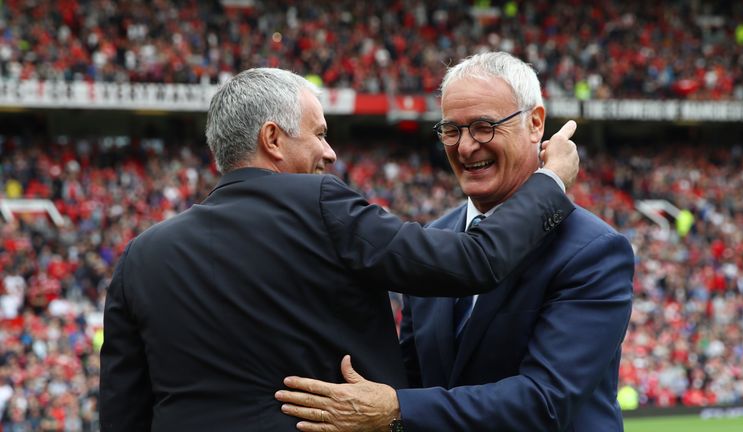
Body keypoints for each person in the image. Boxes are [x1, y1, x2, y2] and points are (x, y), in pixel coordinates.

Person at [99, 67, 580, 431]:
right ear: (272, 138)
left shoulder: (140, 256)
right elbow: (476, 259)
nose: (330, 154)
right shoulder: (320, 203)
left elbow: (123, 415)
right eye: (320, 134)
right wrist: (550, 182)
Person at [276, 53, 635, 431]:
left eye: (484, 127)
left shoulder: (593, 250)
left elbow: (545, 402)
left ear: (535, 123)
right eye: (452, 130)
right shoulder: (435, 242)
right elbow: (412, 377)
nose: (465, 147)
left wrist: (398, 409)